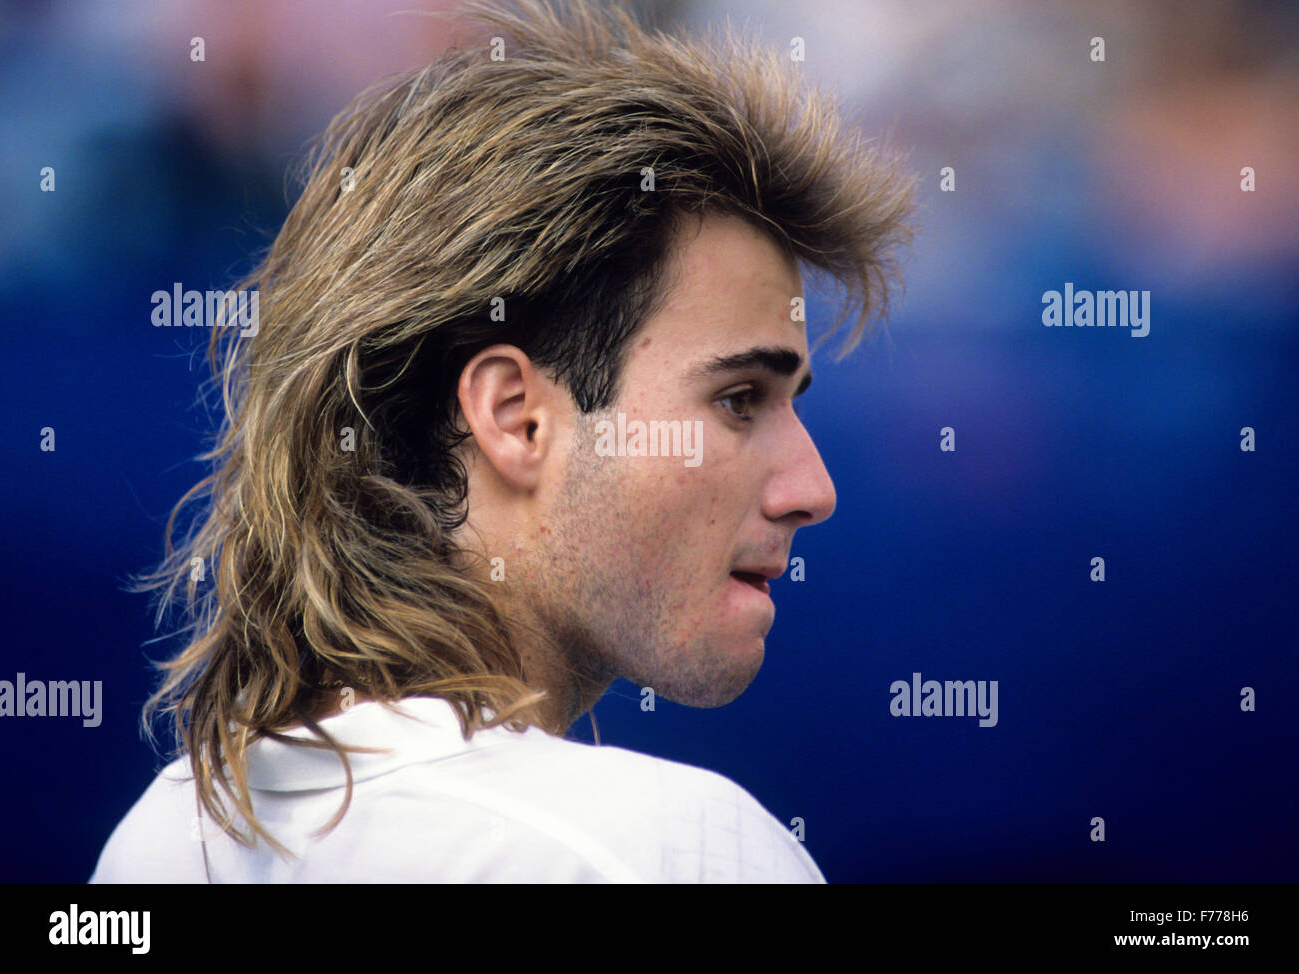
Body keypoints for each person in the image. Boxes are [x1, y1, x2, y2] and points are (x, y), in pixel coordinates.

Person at [90, 0, 915, 883]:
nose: (811, 488)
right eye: (739, 399)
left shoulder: (158, 843)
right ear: (516, 417)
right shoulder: (685, 850)